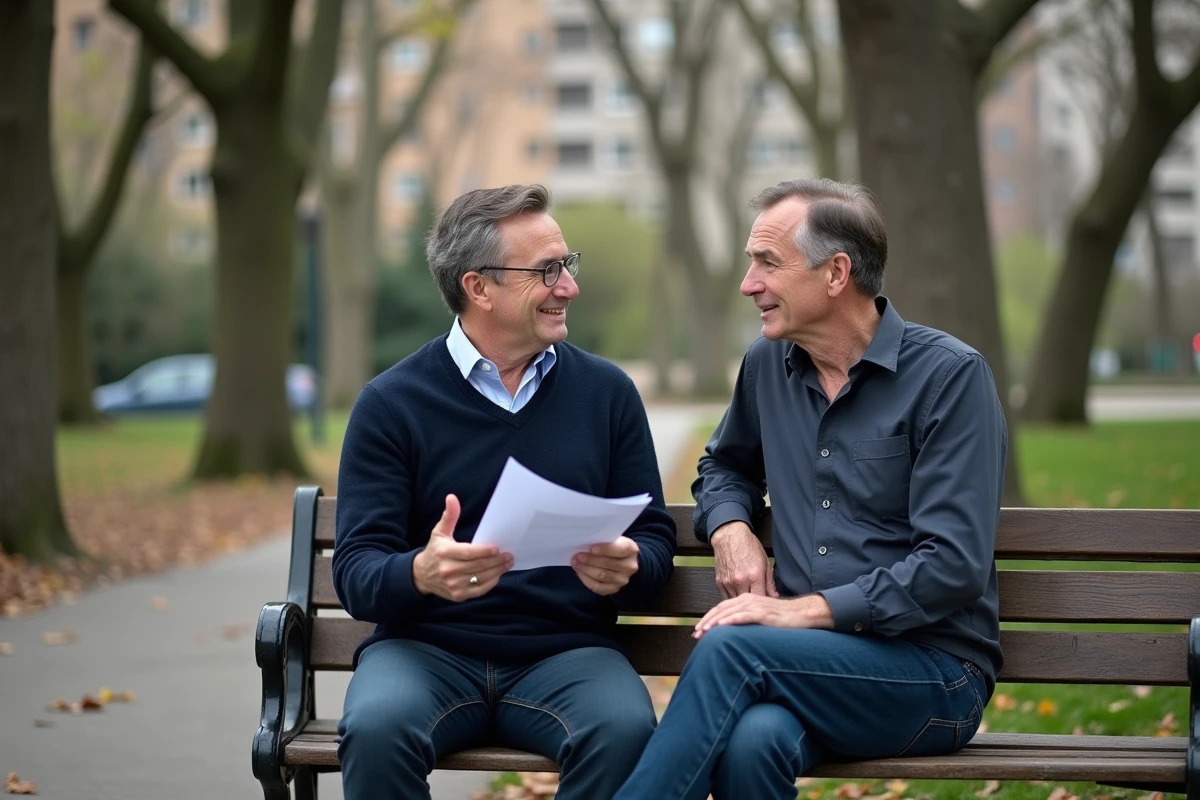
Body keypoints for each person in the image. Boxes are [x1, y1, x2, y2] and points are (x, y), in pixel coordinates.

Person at [613, 178, 1008, 800]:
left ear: (835, 273)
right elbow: (723, 467)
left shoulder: (950, 378)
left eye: (768, 263)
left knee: (733, 650)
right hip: (806, 662)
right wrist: (732, 529)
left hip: (933, 672)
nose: (749, 284)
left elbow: (953, 566)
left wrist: (801, 612)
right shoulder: (767, 365)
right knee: (754, 743)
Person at [332, 184, 676, 800]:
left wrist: (631, 564)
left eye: (567, 265)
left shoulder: (607, 394)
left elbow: (652, 539)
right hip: (423, 651)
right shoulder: (391, 404)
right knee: (376, 728)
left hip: (568, 653)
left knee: (623, 727)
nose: (567, 286)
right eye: (546, 271)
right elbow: (357, 572)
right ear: (478, 288)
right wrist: (419, 572)